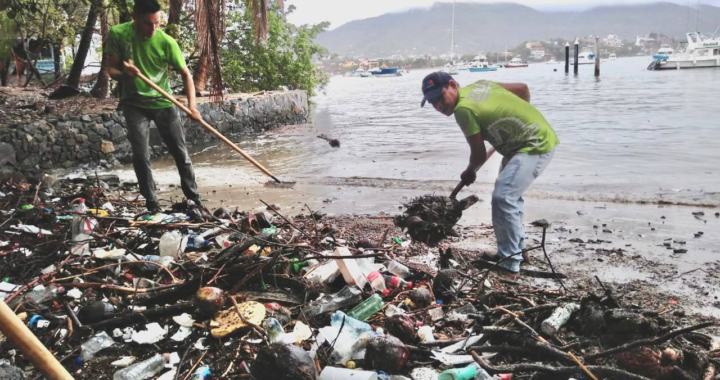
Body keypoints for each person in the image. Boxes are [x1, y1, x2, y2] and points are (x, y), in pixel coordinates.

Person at [420, 72, 559, 278]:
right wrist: (516, 126)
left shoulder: (463, 110)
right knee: (509, 198)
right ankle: (517, 252)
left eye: (440, 98)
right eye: (432, 102)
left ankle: (510, 264)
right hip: (524, 143)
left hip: (534, 143)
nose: (438, 106)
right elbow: (523, 88)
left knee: (504, 198)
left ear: (452, 85)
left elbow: (477, 155)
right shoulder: (481, 85)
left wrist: (470, 171)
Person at [104, 0, 203, 214]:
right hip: (134, 103)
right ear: (134, 17)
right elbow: (111, 70)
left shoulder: (167, 42)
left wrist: (192, 106)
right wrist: (125, 75)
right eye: (148, 24)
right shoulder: (118, 34)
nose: (153, 29)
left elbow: (186, 75)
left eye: (157, 23)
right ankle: (152, 203)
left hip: (163, 102)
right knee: (141, 156)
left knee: (180, 153)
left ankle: (194, 199)